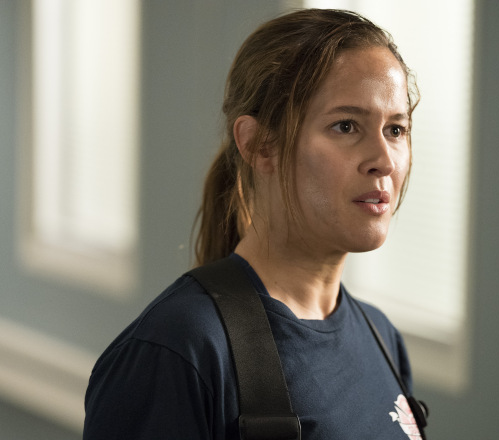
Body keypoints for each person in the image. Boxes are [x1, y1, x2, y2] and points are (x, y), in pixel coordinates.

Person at [83, 8, 422, 440]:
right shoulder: (177, 351)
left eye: (396, 130)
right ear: (261, 145)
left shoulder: (382, 338)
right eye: (346, 126)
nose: (384, 161)